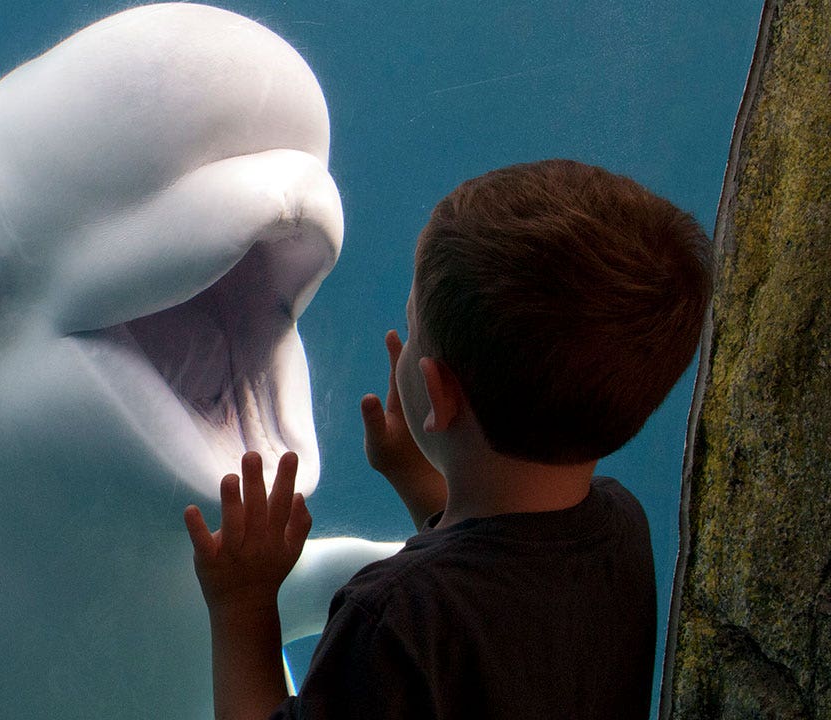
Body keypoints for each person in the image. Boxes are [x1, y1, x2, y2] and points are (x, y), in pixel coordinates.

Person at [183, 159, 713, 720]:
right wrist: (426, 488)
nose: (404, 345)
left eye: (412, 330)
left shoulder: (388, 618)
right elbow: (502, 613)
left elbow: (453, 615)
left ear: (438, 391)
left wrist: (243, 606)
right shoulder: (621, 529)